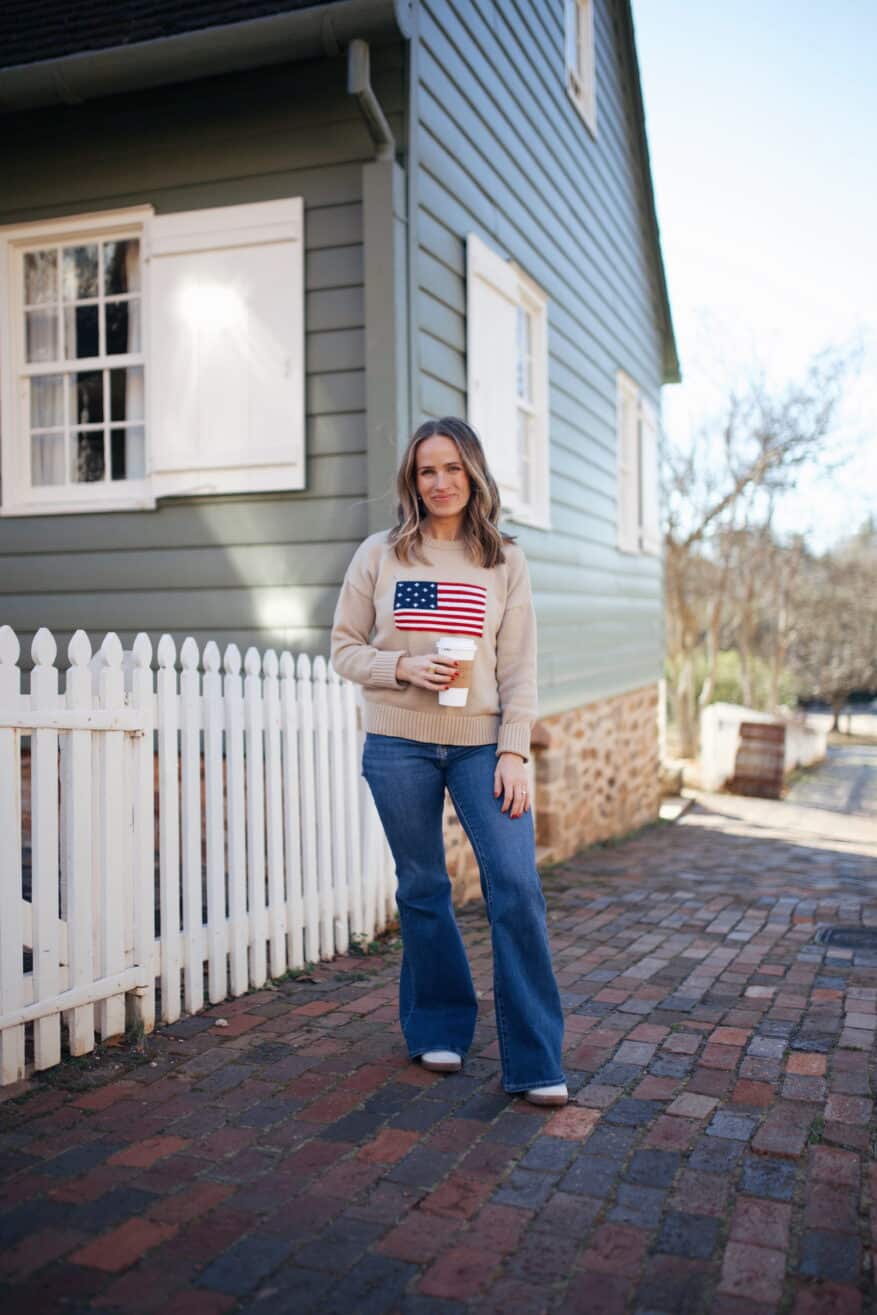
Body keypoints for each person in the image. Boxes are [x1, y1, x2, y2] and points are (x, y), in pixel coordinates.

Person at [330, 417, 567, 1106]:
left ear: (474, 475)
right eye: (427, 470)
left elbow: (519, 666)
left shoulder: (503, 560)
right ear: (412, 478)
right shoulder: (379, 554)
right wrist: (401, 665)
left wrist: (514, 749)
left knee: (515, 884)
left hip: (480, 743)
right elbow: (343, 648)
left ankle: (535, 1058)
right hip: (397, 743)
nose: (440, 482)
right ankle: (439, 1025)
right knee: (423, 886)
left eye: (453, 469)